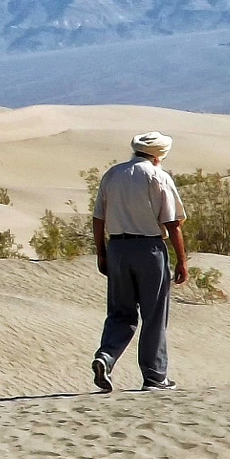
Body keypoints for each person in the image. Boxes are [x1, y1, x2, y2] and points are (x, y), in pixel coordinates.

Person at [89, 131, 187, 392]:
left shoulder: (113, 174)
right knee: (154, 315)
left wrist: (101, 252)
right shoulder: (158, 176)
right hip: (149, 249)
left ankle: (106, 358)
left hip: (118, 248)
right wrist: (181, 260)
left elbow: (98, 217)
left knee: (120, 313)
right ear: (159, 155)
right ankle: (155, 377)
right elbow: (172, 223)